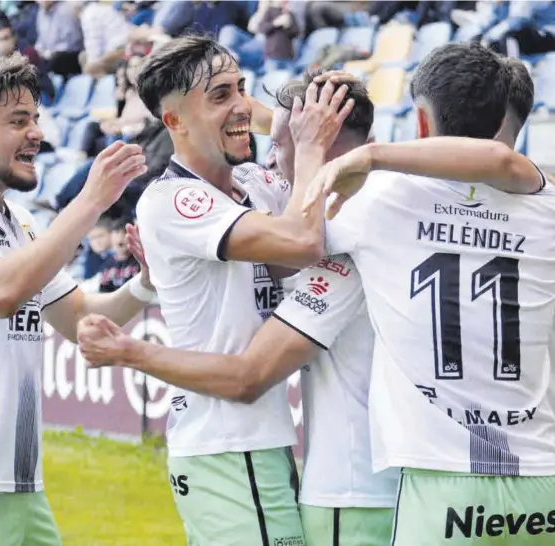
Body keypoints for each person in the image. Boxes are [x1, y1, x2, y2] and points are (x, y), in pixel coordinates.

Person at [77, 64, 545, 546]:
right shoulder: (529, 212)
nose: (268, 166)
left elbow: (248, 376)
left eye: (283, 144)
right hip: (510, 476)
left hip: (357, 489)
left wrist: (129, 351)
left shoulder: (351, 235)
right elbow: (502, 163)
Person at [306, 42, 555, 545]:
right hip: (542, 475)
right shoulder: (546, 205)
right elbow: (505, 164)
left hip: (440, 476)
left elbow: (288, 248)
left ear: (420, 122)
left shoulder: (379, 199)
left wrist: (316, 152)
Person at [122, 34, 354, 546]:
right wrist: (312, 144)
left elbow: (322, 220)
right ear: (175, 121)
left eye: (241, 89)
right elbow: (301, 241)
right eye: (219, 95)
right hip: (225, 442)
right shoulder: (172, 200)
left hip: (258, 439)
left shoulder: (252, 179)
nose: (241, 106)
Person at [0, 53, 156, 546]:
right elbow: (2, 293)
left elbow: (81, 318)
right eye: (18, 121)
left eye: (36, 119)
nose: (37, 133)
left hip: (21, 486)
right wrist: (90, 200)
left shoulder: (21, 222)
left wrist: (147, 283)